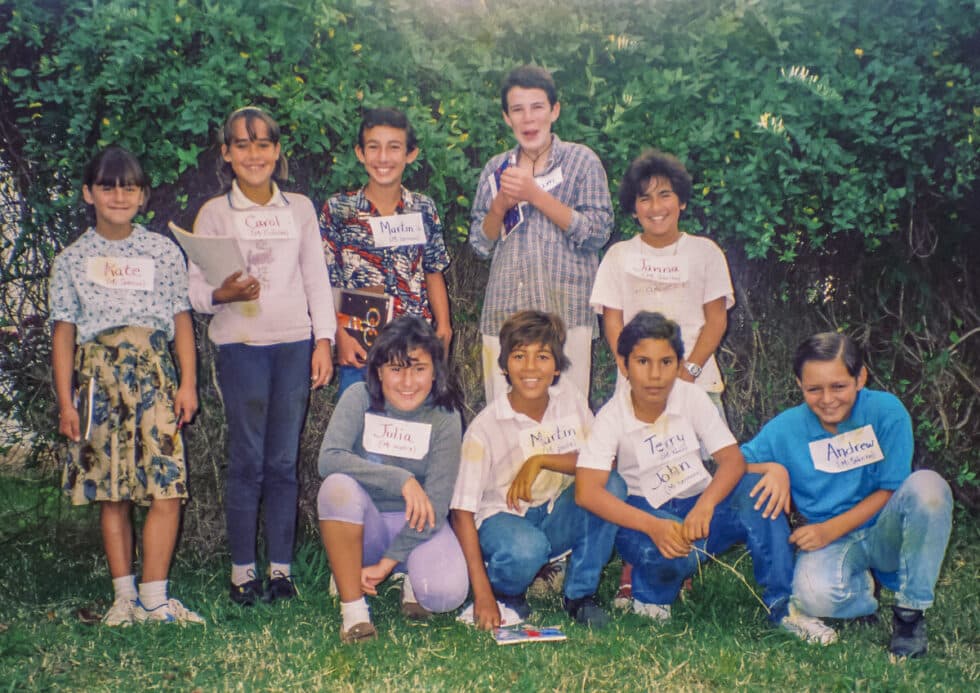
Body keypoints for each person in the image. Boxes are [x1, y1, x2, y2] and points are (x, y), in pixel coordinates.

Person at [575, 311, 836, 643]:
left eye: (666, 362)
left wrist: (707, 504)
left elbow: (731, 461)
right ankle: (650, 592)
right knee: (666, 552)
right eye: (643, 362)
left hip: (698, 503)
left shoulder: (691, 397)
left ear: (679, 363)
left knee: (758, 490)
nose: (655, 375)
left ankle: (785, 608)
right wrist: (653, 526)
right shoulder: (613, 415)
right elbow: (587, 492)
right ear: (624, 364)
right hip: (645, 514)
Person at [187, 106, 336, 606]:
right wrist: (222, 295)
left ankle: (281, 570)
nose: (254, 154)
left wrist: (324, 340)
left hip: (294, 345)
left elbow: (316, 277)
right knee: (247, 460)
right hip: (241, 350)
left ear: (278, 151)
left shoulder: (299, 208)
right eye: (242, 144)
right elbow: (194, 291)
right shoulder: (214, 212)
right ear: (226, 153)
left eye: (264, 143)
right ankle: (242, 571)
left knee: (282, 462)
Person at [49, 145, 202, 625]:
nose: (119, 195)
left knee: (167, 486)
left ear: (143, 196)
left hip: (156, 375)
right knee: (111, 490)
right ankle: (124, 598)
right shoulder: (71, 260)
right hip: (99, 379)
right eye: (108, 186)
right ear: (88, 193)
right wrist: (65, 402)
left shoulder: (161, 251)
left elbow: (181, 324)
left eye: (129, 187)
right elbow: (64, 334)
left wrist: (188, 384)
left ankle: (156, 598)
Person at [742, 332, 953, 657]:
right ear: (799, 384)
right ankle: (863, 594)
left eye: (838, 386)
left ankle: (910, 614)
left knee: (929, 490)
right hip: (835, 545)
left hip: (886, 530)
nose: (827, 399)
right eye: (814, 389)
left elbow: (891, 489)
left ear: (860, 377)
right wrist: (773, 469)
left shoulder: (887, 411)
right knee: (811, 597)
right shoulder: (786, 428)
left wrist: (828, 530)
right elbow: (732, 465)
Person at [590, 149, 734, 604]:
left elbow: (716, 321)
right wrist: (631, 371)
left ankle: (684, 558)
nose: (656, 207)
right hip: (639, 379)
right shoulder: (618, 255)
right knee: (635, 471)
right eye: (645, 198)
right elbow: (612, 321)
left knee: (692, 469)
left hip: (694, 379)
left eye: (665, 196)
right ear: (633, 207)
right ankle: (636, 564)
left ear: (682, 202)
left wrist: (687, 373)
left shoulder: (705, 252)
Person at [450, 311, 625, 630]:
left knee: (609, 484)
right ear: (503, 365)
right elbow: (461, 512)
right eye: (519, 356)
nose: (530, 368)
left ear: (557, 366)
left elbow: (602, 461)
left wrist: (541, 460)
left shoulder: (568, 398)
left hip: (554, 513)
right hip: (503, 522)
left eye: (542, 356)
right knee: (527, 548)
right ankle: (505, 590)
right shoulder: (484, 428)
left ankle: (580, 595)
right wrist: (483, 594)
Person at [317, 317, 468, 644]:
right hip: (365, 521)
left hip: (418, 522)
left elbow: (438, 505)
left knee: (446, 595)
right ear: (379, 371)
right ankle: (354, 610)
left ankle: (406, 572)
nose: (408, 382)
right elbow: (329, 458)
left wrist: (387, 564)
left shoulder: (446, 416)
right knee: (336, 489)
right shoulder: (358, 397)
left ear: (434, 371)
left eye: (418, 369)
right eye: (396, 369)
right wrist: (402, 479)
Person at [470, 65, 613, 403]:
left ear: (554, 111)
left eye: (537, 107)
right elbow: (479, 243)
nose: (528, 119)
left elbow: (597, 233)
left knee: (568, 426)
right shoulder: (495, 169)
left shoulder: (582, 161)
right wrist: (499, 206)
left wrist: (535, 195)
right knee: (505, 425)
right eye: (517, 110)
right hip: (503, 318)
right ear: (507, 117)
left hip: (567, 318)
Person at [321, 107, 452, 395]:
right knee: (362, 431)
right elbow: (325, 281)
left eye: (394, 148)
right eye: (373, 147)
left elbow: (433, 270)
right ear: (360, 152)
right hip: (360, 348)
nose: (383, 158)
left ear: (410, 153)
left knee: (411, 435)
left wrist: (444, 326)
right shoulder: (338, 210)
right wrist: (339, 334)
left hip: (416, 349)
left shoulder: (423, 208)